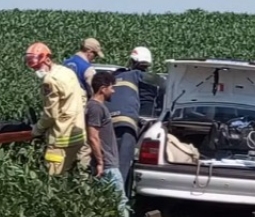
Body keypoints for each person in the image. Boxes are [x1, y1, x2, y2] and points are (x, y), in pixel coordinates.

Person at [25, 42, 86, 176]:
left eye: (38, 67)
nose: (37, 71)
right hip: (78, 135)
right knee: (72, 176)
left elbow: (51, 114)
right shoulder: (67, 72)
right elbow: (82, 97)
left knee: (53, 179)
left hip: (60, 139)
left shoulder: (50, 80)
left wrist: (37, 129)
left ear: (47, 60)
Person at [86, 71, 132, 217]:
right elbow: (93, 137)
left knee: (106, 204)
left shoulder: (97, 107)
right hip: (107, 166)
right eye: (112, 88)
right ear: (103, 89)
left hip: (106, 164)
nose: (114, 91)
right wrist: (100, 162)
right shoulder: (96, 108)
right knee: (120, 203)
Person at [104, 46, 158, 181]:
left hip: (106, 124)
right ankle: (119, 199)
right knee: (123, 166)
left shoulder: (115, 76)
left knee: (107, 163)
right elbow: (150, 104)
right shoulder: (142, 77)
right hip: (127, 126)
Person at [63, 38, 104, 168]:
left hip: (62, 114)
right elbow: (95, 94)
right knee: (84, 148)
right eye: (95, 55)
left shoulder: (64, 64)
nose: (94, 58)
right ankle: (82, 178)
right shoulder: (88, 69)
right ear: (89, 52)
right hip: (79, 115)